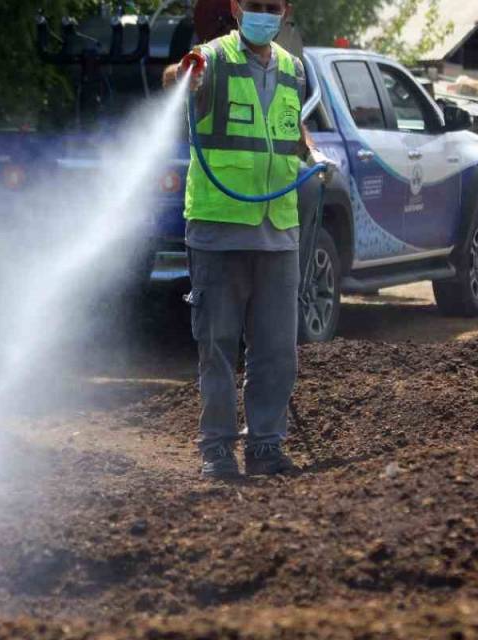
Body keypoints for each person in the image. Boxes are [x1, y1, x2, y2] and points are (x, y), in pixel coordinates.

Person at [162, 0, 337, 479]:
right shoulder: (211, 59)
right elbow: (174, 78)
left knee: (277, 350)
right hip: (219, 230)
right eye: (255, 5)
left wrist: (314, 153)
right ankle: (216, 450)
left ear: (285, 10)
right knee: (216, 348)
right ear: (237, 8)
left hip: (278, 233)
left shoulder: (293, 69)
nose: (264, 13)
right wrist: (185, 73)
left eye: (272, 6)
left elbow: (289, 126)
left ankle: (265, 447)